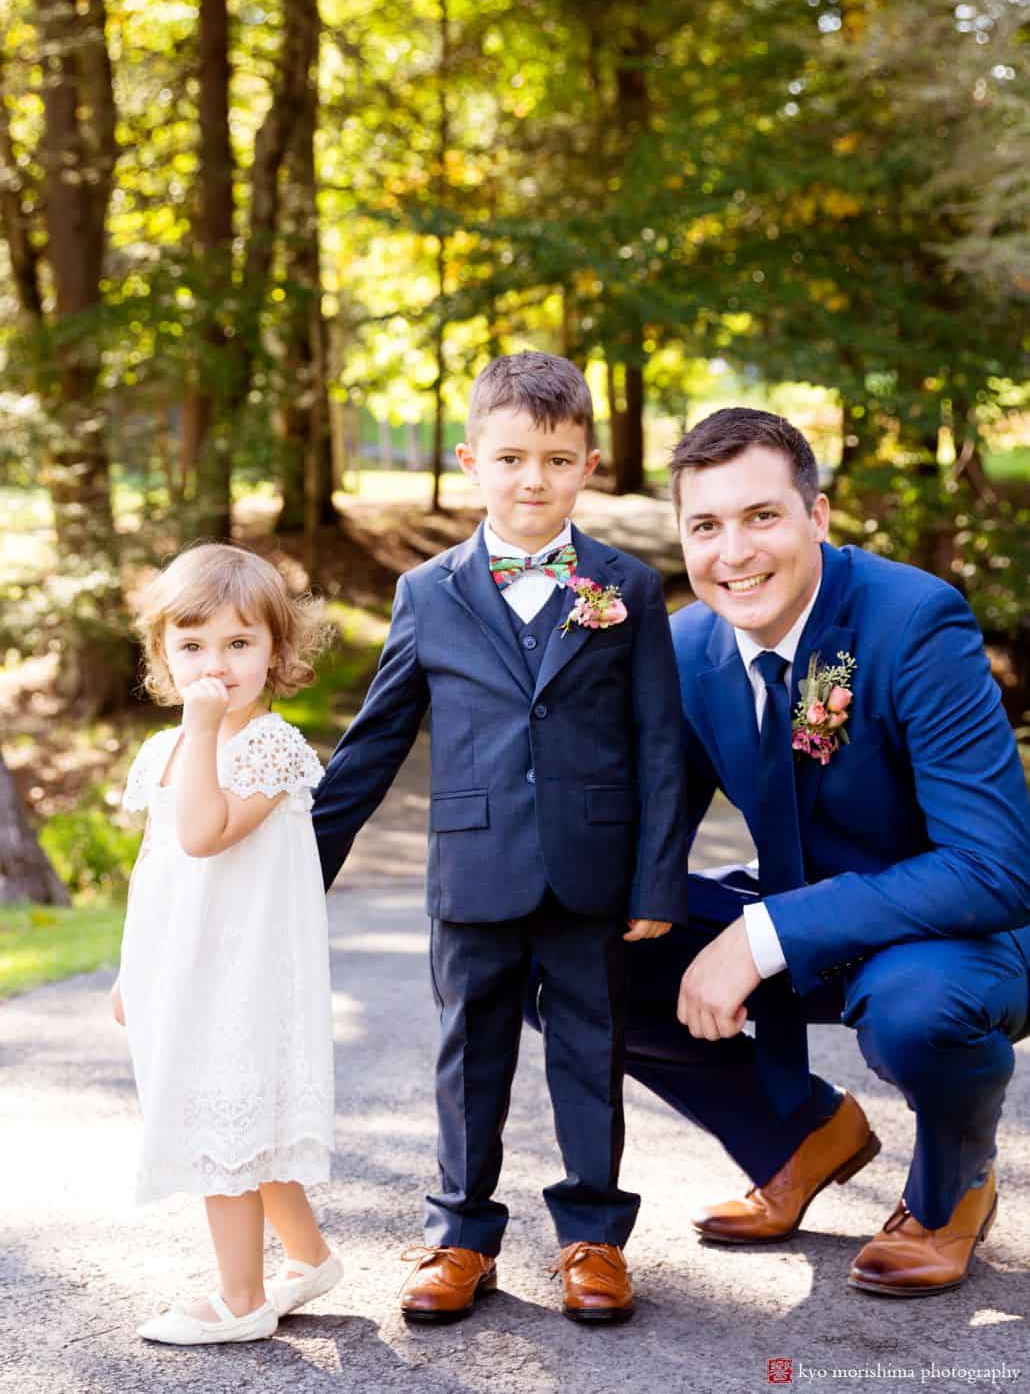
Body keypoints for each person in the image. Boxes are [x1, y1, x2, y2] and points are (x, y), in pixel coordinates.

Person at [312, 351, 687, 1325]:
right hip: (474, 871)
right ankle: (459, 1237)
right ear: (471, 457)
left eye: (557, 460)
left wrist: (655, 882)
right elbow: (376, 740)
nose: (533, 480)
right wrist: (299, 866)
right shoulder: (427, 593)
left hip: (592, 872)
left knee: (589, 1054)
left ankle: (593, 1238)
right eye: (512, 457)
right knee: (467, 1056)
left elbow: (657, 746)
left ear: (590, 465)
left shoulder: (628, 589)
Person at [620, 406, 1030, 1297]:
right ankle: (801, 1137)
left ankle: (952, 1186)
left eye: (761, 516)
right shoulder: (687, 648)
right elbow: (651, 841)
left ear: (818, 517)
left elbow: (996, 867)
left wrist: (763, 935)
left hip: (957, 934)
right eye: (706, 525)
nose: (734, 552)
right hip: (807, 924)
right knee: (571, 949)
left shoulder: (914, 622)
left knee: (919, 1012)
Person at [112, 544, 342, 1344]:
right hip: (183, 964)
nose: (217, 664)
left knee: (227, 1122)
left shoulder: (272, 748)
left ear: (277, 651)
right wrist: (128, 969)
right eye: (194, 645)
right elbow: (158, 863)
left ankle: (242, 1295)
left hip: (242, 972)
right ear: (163, 655)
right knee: (245, 1117)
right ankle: (307, 1257)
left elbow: (205, 833)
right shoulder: (160, 750)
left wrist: (205, 725)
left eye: (240, 643)